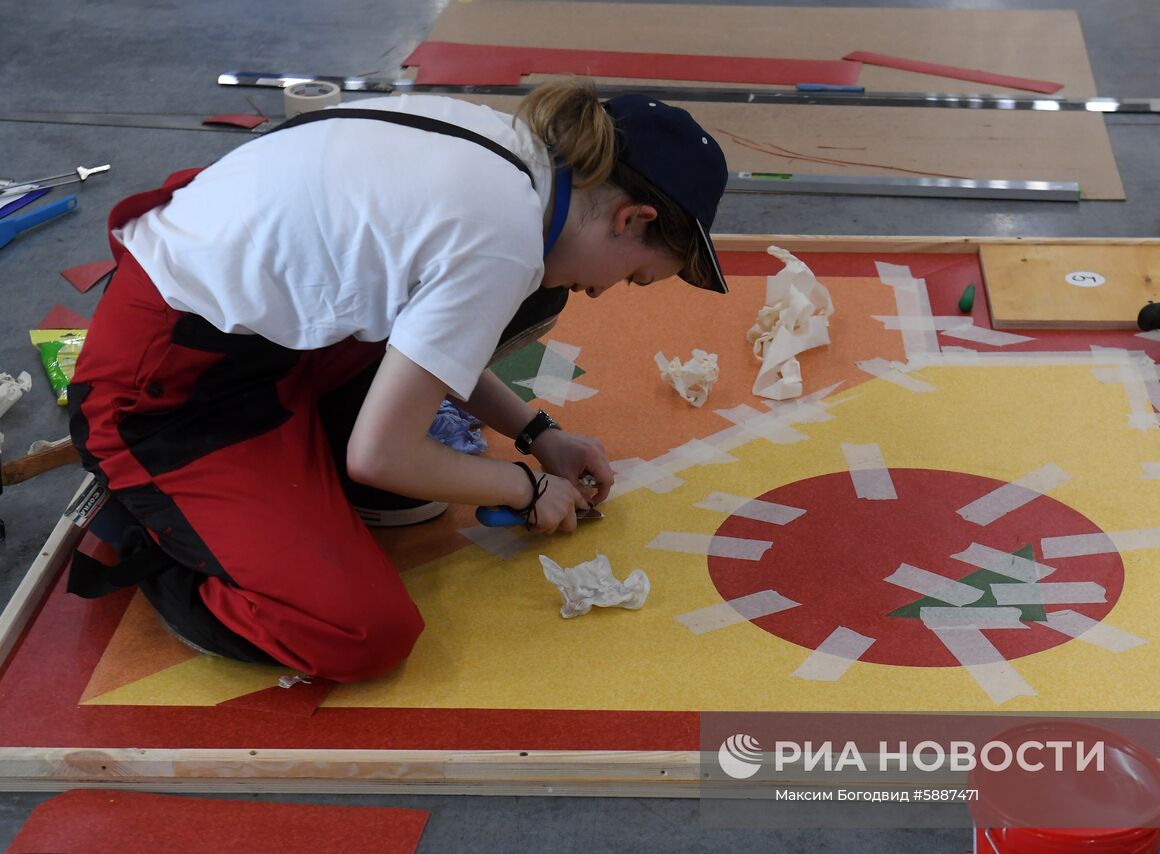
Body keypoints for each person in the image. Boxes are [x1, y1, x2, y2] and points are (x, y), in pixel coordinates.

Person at [65, 79, 729, 682]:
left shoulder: (520, 161)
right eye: (637, 275)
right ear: (632, 219)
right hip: (168, 391)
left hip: (254, 335)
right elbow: (380, 455)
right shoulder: (500, 238)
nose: (606, 291)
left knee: (535, 298)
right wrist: (525, 486)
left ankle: (284, 471)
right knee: (363, 632)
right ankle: (159, 530)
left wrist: (536, 432)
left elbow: (432, 328)